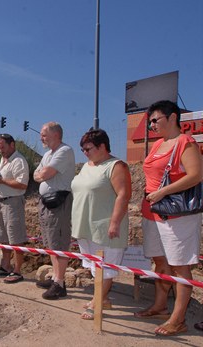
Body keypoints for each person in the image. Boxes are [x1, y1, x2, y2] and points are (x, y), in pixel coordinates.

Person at [134, 100, 202, 336]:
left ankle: (178, 318)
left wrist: (163, 192)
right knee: (160, 262)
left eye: (155, 120)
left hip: (176, 215)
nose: (152, 125)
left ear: (172, 117)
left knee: (180, 266)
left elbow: (195, 175)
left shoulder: (186, 142)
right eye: (150, 121)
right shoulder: (158, 145)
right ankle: (160, 305)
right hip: (152, 213)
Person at [71, 129, 132, 319]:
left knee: (105, 267)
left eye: (88, 148)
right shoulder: (87, 166)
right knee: (93, 265)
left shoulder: (116, 166)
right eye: (82, 149)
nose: (85, 152)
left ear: (102, 146)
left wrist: (114, 222)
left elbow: (124, 194)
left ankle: (98, 302)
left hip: (105, 226)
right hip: (85, 225)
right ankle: (102, 298)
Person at [33, 122, 75, 300]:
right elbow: (36, 175)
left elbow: (44, 175)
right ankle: (56, 279)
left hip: (58, 202)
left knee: (59, 242)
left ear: (56, 134)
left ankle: (59, 283)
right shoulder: (48, 154)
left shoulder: (64, 151)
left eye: (44, 134)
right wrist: (42, 173)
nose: (41, 137)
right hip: (47, 202)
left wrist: (43, 173)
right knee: (51, 243)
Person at [0, 134, 29, 283]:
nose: (0, 151)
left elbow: (22, 184)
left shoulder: (19, 161)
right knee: (3, 237)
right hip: (0, 202)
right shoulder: (3, 160)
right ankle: (6, 266)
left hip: (13, 203)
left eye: (3, 147)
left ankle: (18, 271)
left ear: (12, 145)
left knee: (15, 237)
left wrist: (2, 181)